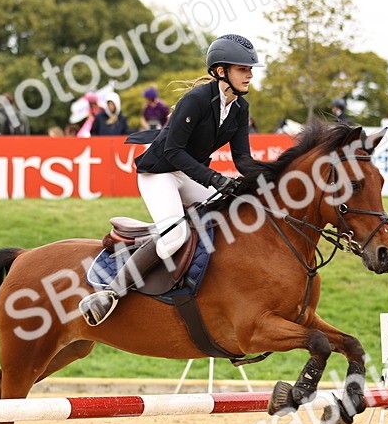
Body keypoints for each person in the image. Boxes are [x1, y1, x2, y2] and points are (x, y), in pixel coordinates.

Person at [78, 33, 262, 326]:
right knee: (175, 235)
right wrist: (215, 179)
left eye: (250, 69)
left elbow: (243, 160)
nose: (250, 74)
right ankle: (110, 293)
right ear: (220, 71)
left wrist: (274, 176)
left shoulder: (240, 108)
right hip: (159, 172)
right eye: (243, 68)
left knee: (230, 217)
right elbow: (174, 151)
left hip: (188, 173)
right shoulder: (196, 100)